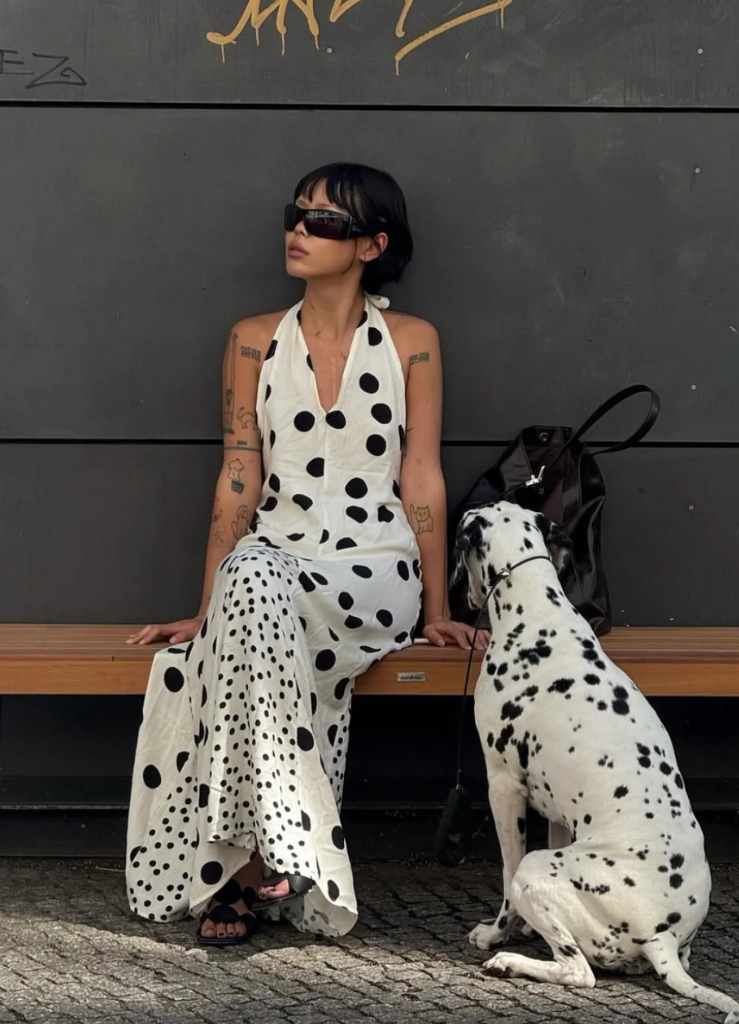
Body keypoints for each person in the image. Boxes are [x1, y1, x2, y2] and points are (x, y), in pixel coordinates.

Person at [124, 162, 487, 946]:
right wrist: (209, 609)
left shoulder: (411, 343)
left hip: (373, 571)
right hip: (271, 569)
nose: (299, 230)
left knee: (247, 604)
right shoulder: (252, 341)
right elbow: (238, 478)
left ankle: (234, 871)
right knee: (247, 590)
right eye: (295, 214)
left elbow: (421, 475)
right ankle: (284, 850)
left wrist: (436, 609)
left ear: (371, 245)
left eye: (323, 222)